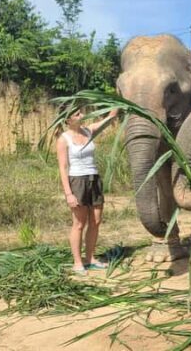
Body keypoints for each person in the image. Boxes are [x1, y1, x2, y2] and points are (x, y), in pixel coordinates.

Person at [56, 108, 117, 275]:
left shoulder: (88, 130)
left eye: (81, 112)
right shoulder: (64, 139)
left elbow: (111, 118)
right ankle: (77, 262)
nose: (81, 115)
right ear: (67, 120)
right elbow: (63, 167)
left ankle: (90, 258)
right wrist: (68, 193)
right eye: (76, 114)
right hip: (77, 181)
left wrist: (117, 101)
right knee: (79, 224)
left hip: (94, 179)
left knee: (96, 221)